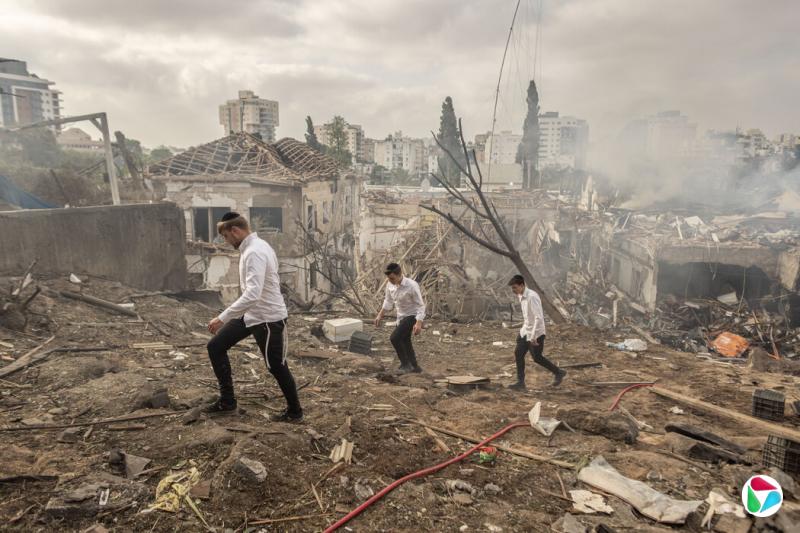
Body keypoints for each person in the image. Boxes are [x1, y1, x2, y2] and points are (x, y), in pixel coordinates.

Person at [204, 212, 303, 422]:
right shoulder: (252, 247)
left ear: (235, 231)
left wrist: (222, 317)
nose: (225, 241)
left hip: (268, 318)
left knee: (276, 366)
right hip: (251, 314)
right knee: (216, 346)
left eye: (226, 236)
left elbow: (253, 293)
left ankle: (295, 412)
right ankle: (227, 402)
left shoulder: (255, 252)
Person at [507, 274, 566, 390]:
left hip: (536, 332)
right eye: (512, 288)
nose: (513, 291)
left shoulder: (532, 297)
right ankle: (520, 383)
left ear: (522, 285)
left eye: (515, 288)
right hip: (525, 331)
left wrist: (533, 336)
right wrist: (522, 331)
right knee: (518, 353)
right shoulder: (521, 295)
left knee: (537, 358)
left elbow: (538, 318)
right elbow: (528, 317)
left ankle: (558, 372)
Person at [373, 263, 425, 373]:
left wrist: (419, 323)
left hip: (412, 316)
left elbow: (420, 305)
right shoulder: (390, 284)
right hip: (400, 317)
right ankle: (415, 367)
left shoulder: (412, 285)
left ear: (399, 274)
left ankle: (405, 365)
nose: (390, 281)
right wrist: (379, 315)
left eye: (392, 278)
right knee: (406, 341)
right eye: (388, 278)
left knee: (394, 338)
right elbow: (388, 301)